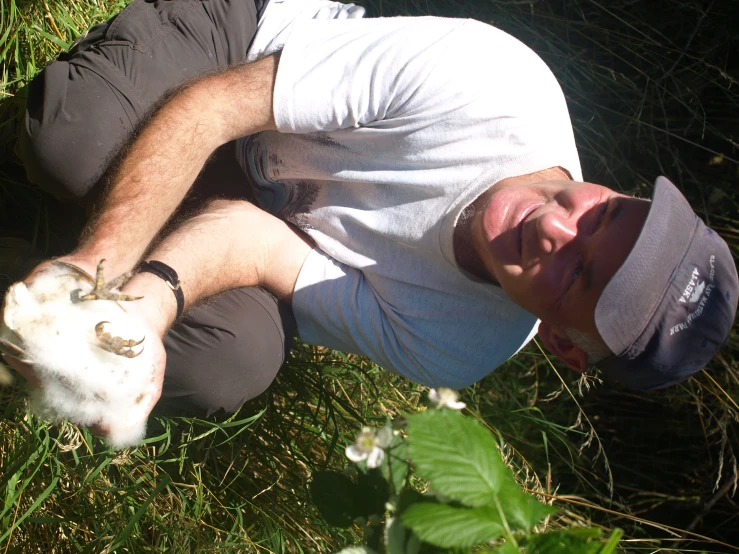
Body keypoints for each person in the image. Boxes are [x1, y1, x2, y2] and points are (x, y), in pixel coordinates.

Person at [4, 0, 738, 433]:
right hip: (253, 56)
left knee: (226, 364)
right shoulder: (494, 85)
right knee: (71, 144)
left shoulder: (461, 345)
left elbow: (257, 247)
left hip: (263, 212)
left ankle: (22, 316)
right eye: (602, 215)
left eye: (577, 274)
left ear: (562, 346)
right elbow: (215, 106)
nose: (556, 228)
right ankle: (61, 247)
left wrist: (141, 308)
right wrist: (91, 268)